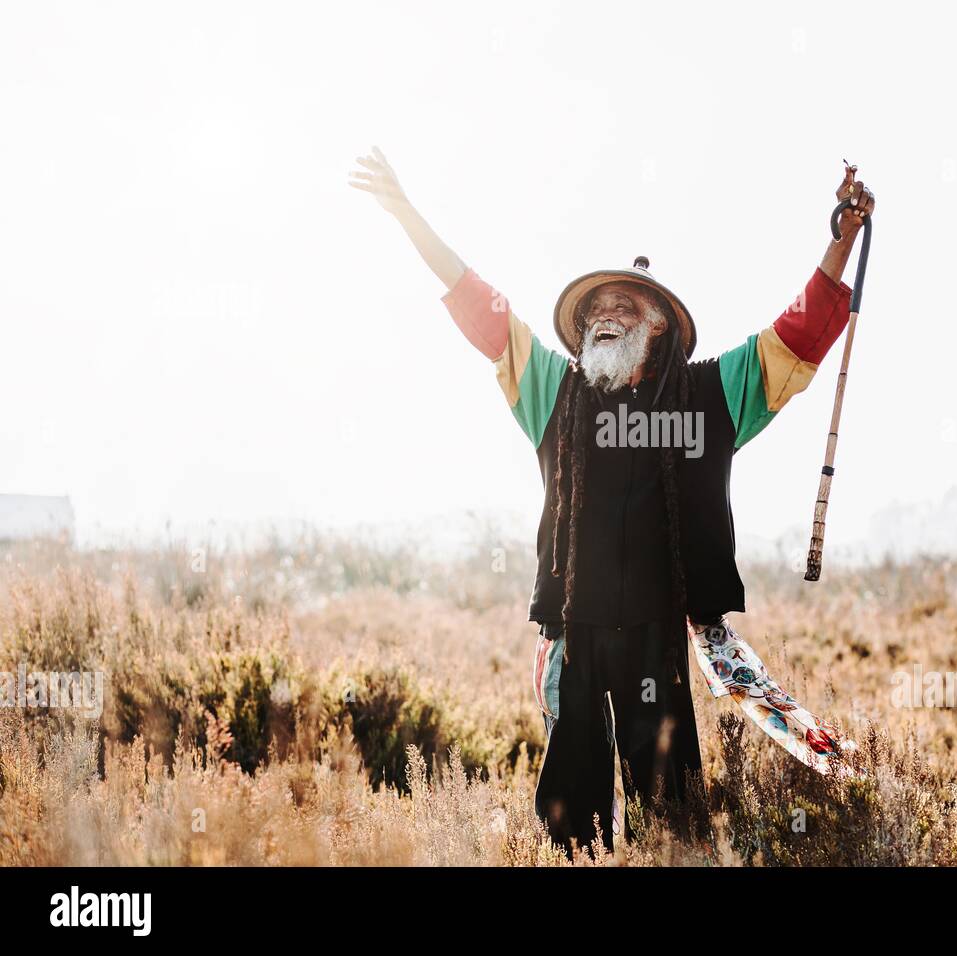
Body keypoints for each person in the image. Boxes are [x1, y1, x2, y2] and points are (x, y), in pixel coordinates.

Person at [350, 149, 873, 855]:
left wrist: (841, 240)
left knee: (673, 823)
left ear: (659, 327)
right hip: (572, 634)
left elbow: (795, 338)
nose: (605, 315)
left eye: (624, 306)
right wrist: (407, 214)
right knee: (570, 828)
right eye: (597, 308)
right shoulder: (553, 393)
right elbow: (479, 304)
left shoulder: (707, 396)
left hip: (659, 635)